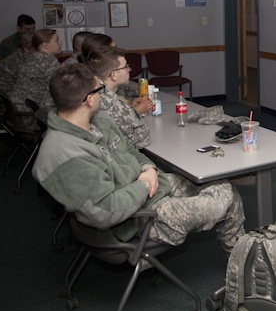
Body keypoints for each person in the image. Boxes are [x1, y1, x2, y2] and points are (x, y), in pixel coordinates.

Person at [32, 63, 245, 253]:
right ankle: (241, 264)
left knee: (222, 186)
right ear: (89, 100)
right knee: (224, 198)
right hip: (137, 217)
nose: (103, 95)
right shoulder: (65, 154)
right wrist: (144, 184)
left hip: (147, 187)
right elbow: (104, 211)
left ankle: (238, 260)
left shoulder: (98, 121)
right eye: (99, 90)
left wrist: (148, 169)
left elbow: (131, 150)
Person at [84, 46, 153, 148]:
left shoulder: (91, 90)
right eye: (126, 67)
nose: (129, 70)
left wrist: (130, 110)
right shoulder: (110, 101)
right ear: (114, 75)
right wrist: (133, 113)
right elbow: (142, 140)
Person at [10, 28, 62, 129]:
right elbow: (53, 94)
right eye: (56, 40)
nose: (60, 43)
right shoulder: (50, 62)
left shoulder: (32, 57)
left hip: (17, 113)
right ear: (45, 45)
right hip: (31, 117)